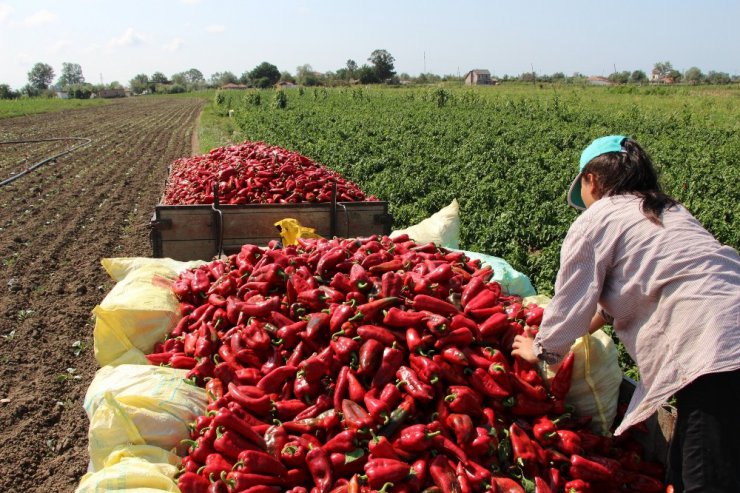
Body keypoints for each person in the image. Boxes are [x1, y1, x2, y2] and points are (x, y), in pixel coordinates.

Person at [511, 135, 740, 493]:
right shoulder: (667, 209)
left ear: (592, 180)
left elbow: (573, 296)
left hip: (713, 345)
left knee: (705, 479)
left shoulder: (596, 219)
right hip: (726, 330)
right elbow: (641, 282)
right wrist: (588, 327)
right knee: (692, 463)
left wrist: (543, 350)